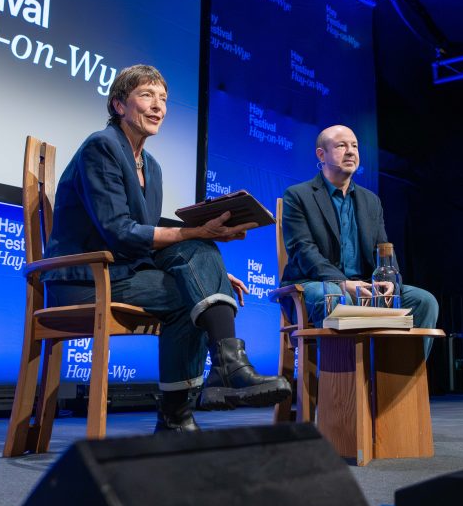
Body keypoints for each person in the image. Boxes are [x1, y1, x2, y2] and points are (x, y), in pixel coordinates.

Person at [42, 64, 291, 433]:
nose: (158, 106)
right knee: (192, 277)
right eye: (147, 95)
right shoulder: (101, 146)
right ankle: (190, 403)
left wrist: (212, 271)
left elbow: (145, 242)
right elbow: (120, 232)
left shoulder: (152, 167)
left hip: (123, 272)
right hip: (84, 279)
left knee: (195, 274)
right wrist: (195, 235)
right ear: (119, 105)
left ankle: (199, 395)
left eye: (163, 98)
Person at [281, 124, 439, 354]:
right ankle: (341, 376)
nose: (350, 151)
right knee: (336, 296)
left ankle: (398, 375)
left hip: (364, 289)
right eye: (341, 145)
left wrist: (390, 280)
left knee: (424, 301)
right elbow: (303, 250)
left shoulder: (371, 201)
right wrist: (343, 283)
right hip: (314, 286)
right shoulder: (298, 196)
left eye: (354, 146)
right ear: (321, 155)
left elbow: (383, 249)